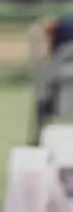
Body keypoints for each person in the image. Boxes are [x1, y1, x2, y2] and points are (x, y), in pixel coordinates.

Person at [33, 12, 73, 140]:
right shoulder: (62, 29)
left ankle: (38, 136)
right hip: (62, 71)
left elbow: (53, 54)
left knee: (45, 99)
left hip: (61, 71)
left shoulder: (62, 29)